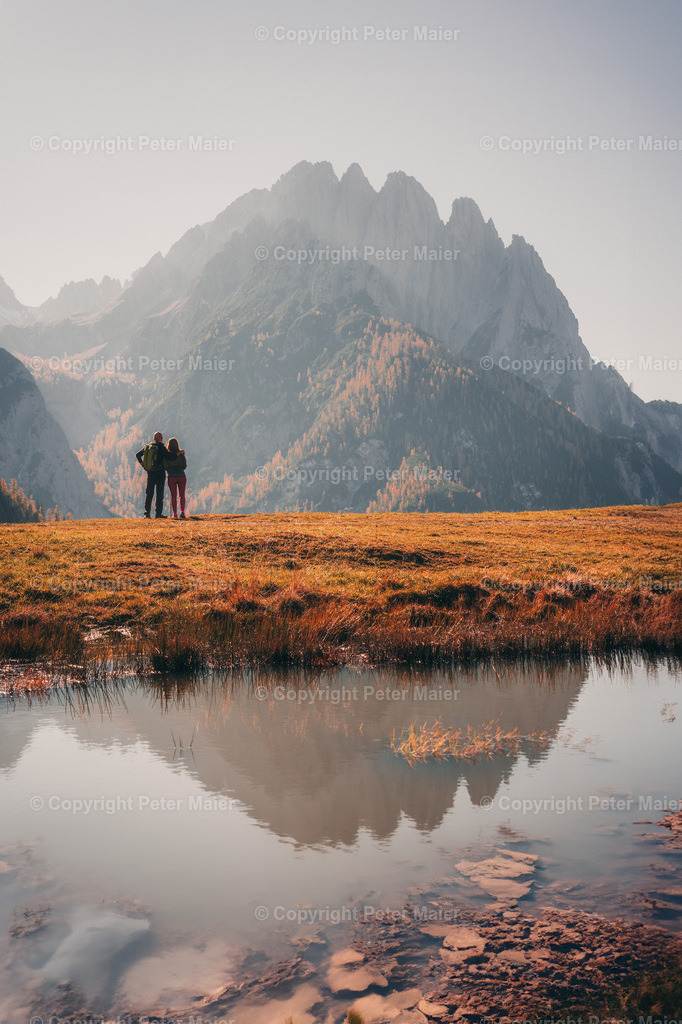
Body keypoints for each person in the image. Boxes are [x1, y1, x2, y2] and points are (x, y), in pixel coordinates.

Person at [135, 431, 170, 518]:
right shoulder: (162, 448)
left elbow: (138, 455)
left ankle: (147, 513)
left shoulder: (148, 447)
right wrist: (178, 453)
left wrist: (143, 464)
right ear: (161, 439)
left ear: (154, 439)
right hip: (160, 473)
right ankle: (158, 514)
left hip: (150, 473)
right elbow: (170, 456)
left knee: (149, 493)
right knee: (159, 494)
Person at [164, 437, 187, 519]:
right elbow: (184, 466)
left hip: (171, 477)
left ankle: (175, 513)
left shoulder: (166, 455)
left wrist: (170, 470)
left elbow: (165, 466)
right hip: (181, 475)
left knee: (173, 495)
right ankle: (182, 512)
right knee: (182, 494)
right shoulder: (181, 455)